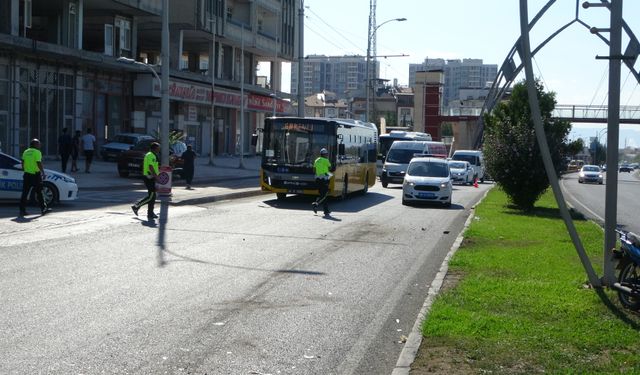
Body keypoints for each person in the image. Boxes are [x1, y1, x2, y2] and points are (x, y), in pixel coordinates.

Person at [19, 139, 50, 216]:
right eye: (39, 144)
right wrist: (43, 172)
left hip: (27, 175)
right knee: (39, 192)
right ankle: (43, 209)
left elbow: (22, 161)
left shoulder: (26, 151)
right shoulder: (37, 152)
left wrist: (24, 169)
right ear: (35, 144)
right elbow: (38, 163)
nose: (40, 145)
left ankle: (22, 210)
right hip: (35, 175)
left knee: (25, 193)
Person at [131, 142, 160, 220]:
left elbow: (154, 166)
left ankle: (150, 213)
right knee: (151, 196)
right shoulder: (151, 155)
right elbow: (151, 167)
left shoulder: (151, 155)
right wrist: (156, 177)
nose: (159, 150)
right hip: (149, 177)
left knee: (152, 196)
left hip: (150, 177)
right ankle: (136, 206)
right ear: (154, 148)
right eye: (158, 148)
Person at [312, 148, 332, 216]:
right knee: (324, 195)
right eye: (326, 154)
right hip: (324, 179)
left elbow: (314, 170)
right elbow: (329, 168)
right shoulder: (326, 160)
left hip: (317, 179)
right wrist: (326, 174)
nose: (327, 155)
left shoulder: (316, 160)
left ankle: (326, 210)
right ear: (324, 154)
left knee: (322, 194)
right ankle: (316, 204)